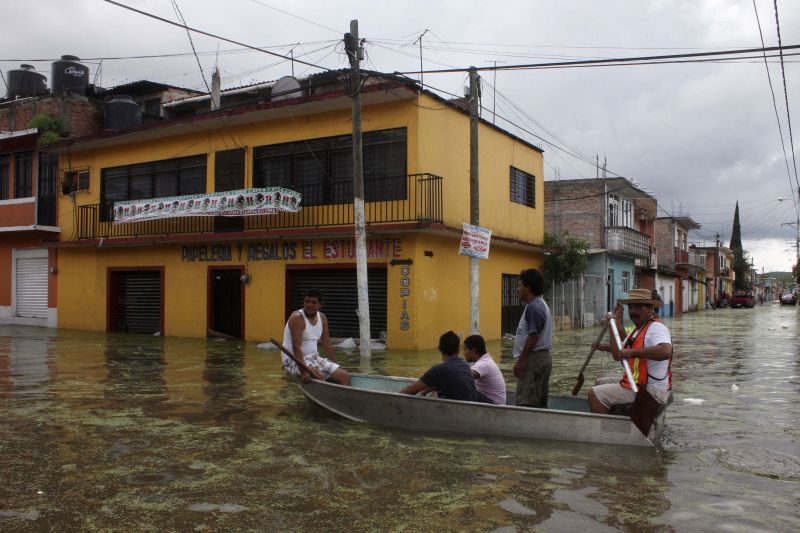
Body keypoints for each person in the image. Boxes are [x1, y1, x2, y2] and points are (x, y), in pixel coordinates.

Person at [588, 288, 673, 414]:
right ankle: (615, 419)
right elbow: (619, 352)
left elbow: (666, 351)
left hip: (651, 391)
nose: (633, 311)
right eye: (630, 307)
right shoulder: (639, 329)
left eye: (638, 307)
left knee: (594, 394)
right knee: (599, 383)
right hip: (639, 383)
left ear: (649, 309)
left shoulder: (656, 328)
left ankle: (607, 431)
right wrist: (614, 324)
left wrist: (632, 353)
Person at [282, 289, 351, 386]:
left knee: (345, 376)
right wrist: (304, 372)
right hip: (293, 360)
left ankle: (343, 398)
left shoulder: (322, 318)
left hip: (314, 358)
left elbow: (328, 347)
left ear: (320, 305)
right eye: (307, 301)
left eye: (314, 302)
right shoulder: (297, 317)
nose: (309, 305)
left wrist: (337, 366)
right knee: (319, 375)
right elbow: (296, 348)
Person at [400, 331, 492, 403]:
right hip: (472, 407)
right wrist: (426, 391)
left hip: (459, 412)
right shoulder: (464, 364)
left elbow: (410, 390)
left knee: (435, 393)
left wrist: (393, 396)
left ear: (439, 348)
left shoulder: (439, 369)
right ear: (458, 349)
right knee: (437, 392)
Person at [512, 268, 553, 408]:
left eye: (519, 286)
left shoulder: (534, 307)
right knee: (539, 400)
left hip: (534, 359)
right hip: (541, 358)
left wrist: (520, 361)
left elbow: (533, 337)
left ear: (528, 288)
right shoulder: (540, 305)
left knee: (527, 401)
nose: (518, 289)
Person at [463, 334, 506, 405]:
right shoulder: (486, 360)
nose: (463, 353)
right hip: (493, 402)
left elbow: (466, 375)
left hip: (495, 406)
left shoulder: (484, 364)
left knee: (465, 389)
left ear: (473, 350)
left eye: (465, 349)